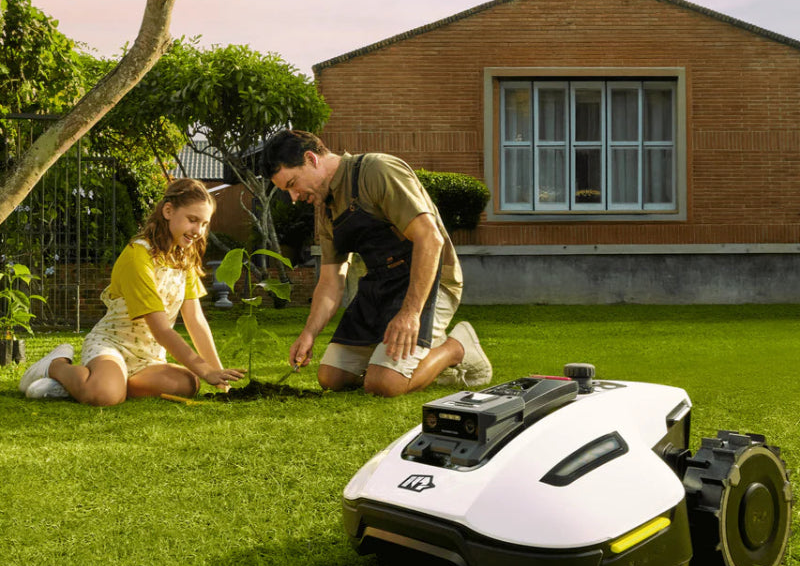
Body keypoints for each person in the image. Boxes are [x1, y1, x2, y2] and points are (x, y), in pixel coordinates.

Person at [263, 129, 492, 398]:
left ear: (311, 159)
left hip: (428, 283)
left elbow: (430, 239)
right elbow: (331, 281)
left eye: (292, 184)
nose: (293, 197)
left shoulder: (376, 171)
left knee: (384, 384)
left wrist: (410, 314)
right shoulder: (325, 210)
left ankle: (456, 347)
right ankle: (409, 355)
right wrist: (309, 334)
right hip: (379, 286)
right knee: (331, 377)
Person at [19, 178, 245, 405]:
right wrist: (205, 370)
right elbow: (162, 330)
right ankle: (57, 365)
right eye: (192, 220)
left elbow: (196, 320)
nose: (198, 231)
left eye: (204, 224)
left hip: (149, 357)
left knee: (190, 383)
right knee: (106, 396)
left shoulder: (183, 259)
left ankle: (101, 381)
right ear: (168, 211)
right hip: (112, 345)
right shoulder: (138, 255)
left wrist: (218, 378)